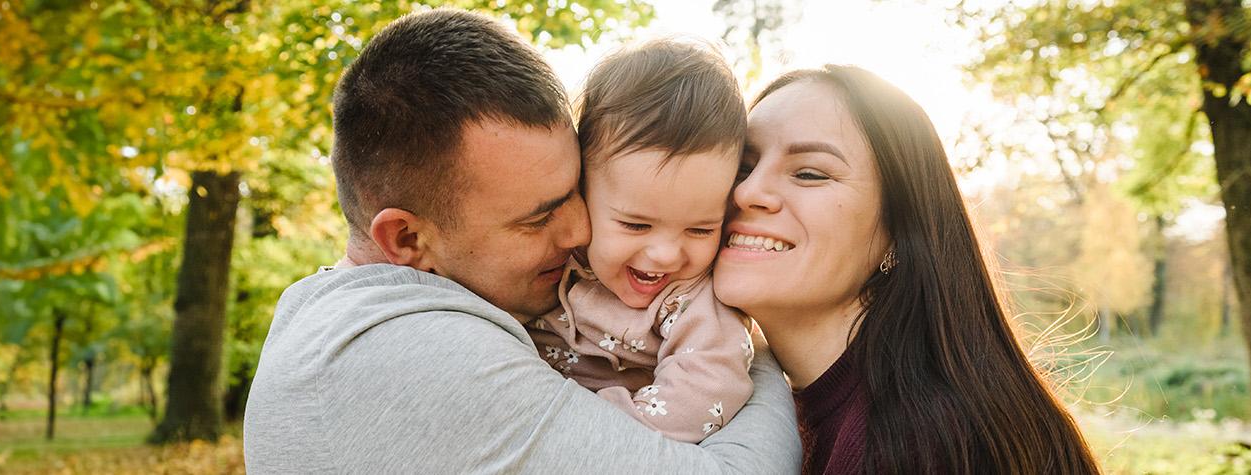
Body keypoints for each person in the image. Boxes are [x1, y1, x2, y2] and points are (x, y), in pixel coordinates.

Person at [242, 9, 801, 473]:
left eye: (574, 192)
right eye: (538, 218)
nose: (579, 232)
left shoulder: (322, 309)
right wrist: (757, 352)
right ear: (408, 238)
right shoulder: (426, 356)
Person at [714, 65, 1100, 474]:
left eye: (810, 173)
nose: (747, 191)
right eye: (742, 166)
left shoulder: (922, 446)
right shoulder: (745, 404)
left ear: (899, 229)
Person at [524, 39, 753, 443]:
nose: (666, 254)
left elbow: (705, 392)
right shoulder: (556, 255)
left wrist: (575, 431)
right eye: (635, 225)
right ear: (582, 193)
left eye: (700, 229)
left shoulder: (695, 300)